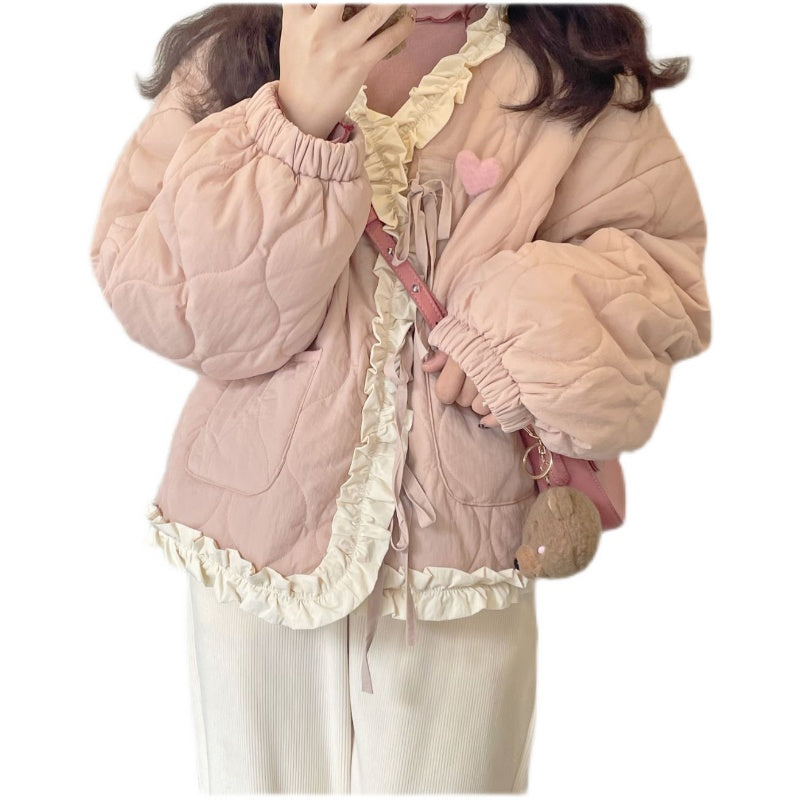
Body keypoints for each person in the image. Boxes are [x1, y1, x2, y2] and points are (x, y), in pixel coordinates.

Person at [89, 3, 711, 793]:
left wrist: (513, 336)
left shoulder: (574, 75)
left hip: (461, 560)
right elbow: (175, 302)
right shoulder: (239, 57)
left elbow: (657, 274)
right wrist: (295, 121)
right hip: (253, 548)